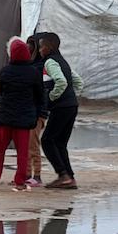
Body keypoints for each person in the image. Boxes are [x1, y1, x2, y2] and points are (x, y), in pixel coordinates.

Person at [0, 37, 42, 192]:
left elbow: (1, 92)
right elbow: (39, 95)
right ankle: (20, 183)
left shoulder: (5, 71)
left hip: (5, 117)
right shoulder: (34, 72)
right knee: (22, 152)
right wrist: (37, 115)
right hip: (24, 120)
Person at [38, 33, 83, 190]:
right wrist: (71, 96)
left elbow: (62, 82)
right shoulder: (63, 61)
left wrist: (52, 98)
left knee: (47, 141)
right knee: (60, 143)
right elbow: (78, 81)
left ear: (49, 47)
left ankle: (63, 174)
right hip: (71, 106)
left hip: (61, 107)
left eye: (42, 46)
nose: (40, 50)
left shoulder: (50, 62)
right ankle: (69, 177)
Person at [25, 33, 51, 187]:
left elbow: (43, 93)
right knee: (27, 145)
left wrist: (41, 112)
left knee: (33, 145)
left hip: (37, 113)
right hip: (29, 113)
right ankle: (28, 174)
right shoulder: (31, 67)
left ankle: (37, 175)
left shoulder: (41, 68)